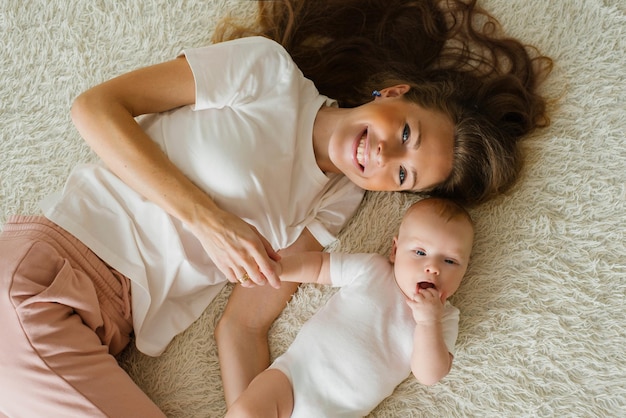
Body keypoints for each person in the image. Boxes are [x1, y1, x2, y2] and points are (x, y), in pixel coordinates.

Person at [0, 1, 551, 416]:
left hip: (103, 335)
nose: (383, 155)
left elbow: (242, 327)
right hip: (46, 275)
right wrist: (208, 221)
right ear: (392, 92)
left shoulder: (336, 202)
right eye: (405, 131)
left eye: (403, 174)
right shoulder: (267, 73)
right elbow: (95, 108)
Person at [225, 197, 474, 417]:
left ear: (464, 270)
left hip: (339, 411)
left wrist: (428, 323)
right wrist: (282, 269)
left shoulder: (445, 318)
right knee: (245, 411)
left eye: (450, 260)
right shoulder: (373, 270)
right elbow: (321, 267)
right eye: (420, 252)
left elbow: (429, 374)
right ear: (395, 251)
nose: (433, 267)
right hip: (293, 377)